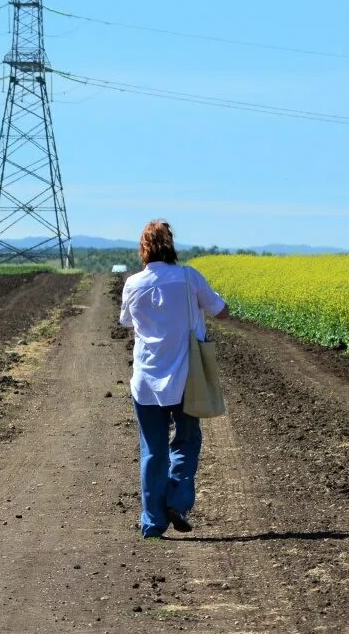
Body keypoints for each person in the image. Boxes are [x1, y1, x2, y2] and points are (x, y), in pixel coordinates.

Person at [118, 219, 229, 538]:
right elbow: (220, 311)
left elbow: (126, 320)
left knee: (153, 450)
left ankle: (152, 523)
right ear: (171, 245)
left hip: (146, 380)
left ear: (143, 249)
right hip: (185, 377)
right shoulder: (188, 277)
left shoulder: (132, 283)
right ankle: (177, 500)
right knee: (187, 439)